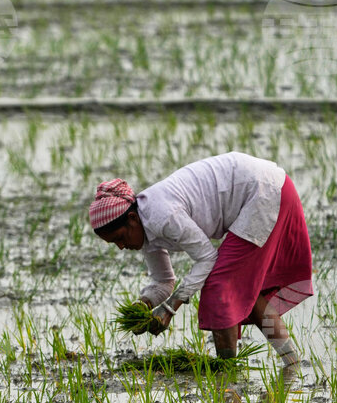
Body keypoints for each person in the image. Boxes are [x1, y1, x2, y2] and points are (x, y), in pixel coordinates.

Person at [88, 152, 313, 367]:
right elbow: (164, 281)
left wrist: (169, 309)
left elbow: (206, 257)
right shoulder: (146, 228)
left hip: (264, 191)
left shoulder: (162, 215)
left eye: (120, 238)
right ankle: (292, 362)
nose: (121, 247)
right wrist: (144, 304)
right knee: (236, 286)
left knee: (219, 286)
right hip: (266, 188)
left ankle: (227, 376)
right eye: (114, 244)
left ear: (132, 218)